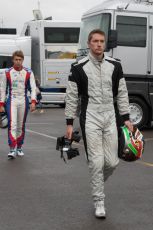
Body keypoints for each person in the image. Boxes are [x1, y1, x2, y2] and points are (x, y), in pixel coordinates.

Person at [65, 29, 133, 218]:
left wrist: (126, 118)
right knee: (96, 161)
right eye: (95, 41)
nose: (99, 44)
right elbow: (71, 97)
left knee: (111, 162)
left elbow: (122, 93)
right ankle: (99, 201)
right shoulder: (78, 67)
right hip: (91, 116)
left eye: (102, 41)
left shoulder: (115, 65)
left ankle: (97, 182)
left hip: (111, 116)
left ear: (105, 44)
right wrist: (69, 122)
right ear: (89, 43)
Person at [0, 50, 36, 159]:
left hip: (23, 100)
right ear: (12, 60)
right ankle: (12, 148)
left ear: (23, 60)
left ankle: (19, 147)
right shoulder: (7, 72)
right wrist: (1, 104)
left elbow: (33, 88)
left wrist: (33, 102)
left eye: (20, 59)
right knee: (12, 124)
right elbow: (2, 89)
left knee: (21, 125)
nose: (18, 61)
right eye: (16, 59)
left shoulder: (28, 72)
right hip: (12, 100)